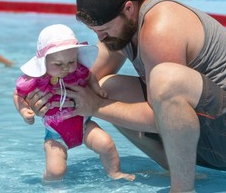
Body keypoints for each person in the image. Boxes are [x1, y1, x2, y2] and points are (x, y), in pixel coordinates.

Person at [24, 0, 226, 192]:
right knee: (107, 87)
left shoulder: (160, 27)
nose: (100, 38)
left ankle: (182, 189)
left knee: (165, 80)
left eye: (104, 30)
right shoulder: (120, 30)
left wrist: (96, 107)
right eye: (94, 31)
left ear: (128, 9)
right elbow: (80, 86)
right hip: (212, 139)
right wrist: (45, 102)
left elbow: (162, 116)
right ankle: (184, 170)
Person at [13, 24, 135, 182]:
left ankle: (115, 173)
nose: (66, 68)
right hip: (56, 134)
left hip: (84, 124)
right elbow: (17, 94)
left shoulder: (78, 71)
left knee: (106, 145)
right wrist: (23, 111)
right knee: (56, 171)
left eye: (71, 61)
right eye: (58, 64)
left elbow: (89, 76)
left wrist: (97, 90)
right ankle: (50, 186)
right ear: (43, 63)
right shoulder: (36, 80)